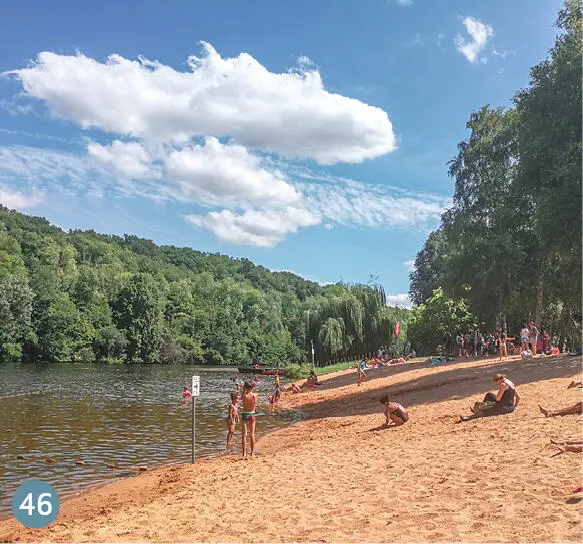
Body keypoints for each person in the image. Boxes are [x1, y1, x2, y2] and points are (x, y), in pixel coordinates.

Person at [240, 381, 257, 458]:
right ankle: (252, 453)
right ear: (252, 387)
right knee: (252, 434)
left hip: (245, 414)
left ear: (246, 387)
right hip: (252, 414)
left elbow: (241, 399)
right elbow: (255, 403)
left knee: (244, 435)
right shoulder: (255, 395)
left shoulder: (244, 396)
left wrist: (243, 389)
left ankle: (244, 454)